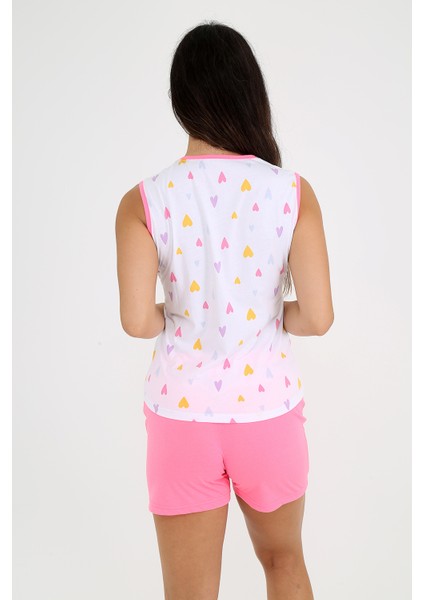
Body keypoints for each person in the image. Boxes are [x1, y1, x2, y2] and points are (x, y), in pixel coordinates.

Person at [115, 20, 334, 600]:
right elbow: (317, 318)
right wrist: (268, 315)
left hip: (180, 414)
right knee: (284, 562)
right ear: (248, 90)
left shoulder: (145, 199)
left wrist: (181, 312)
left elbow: (136, 321)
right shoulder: (291, 192)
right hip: (267, 411)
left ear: (180, 100)